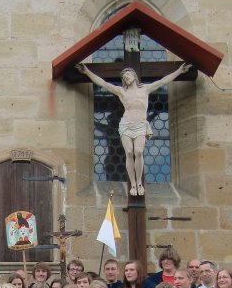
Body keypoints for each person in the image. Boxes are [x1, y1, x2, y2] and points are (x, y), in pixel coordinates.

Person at [76, 62, 191, 196]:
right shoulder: (121, 91)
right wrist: (87, 72)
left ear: (135, 76)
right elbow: (103, 84)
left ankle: (139, 182)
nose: (126, 78)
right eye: (124, 77)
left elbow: (163, 81)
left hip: (140, 125)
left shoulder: (145, 89)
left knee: (139, 152)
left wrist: (179, 71)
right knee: (129, 153)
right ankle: (134, 184)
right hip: (126, 124)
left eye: (128, 75)